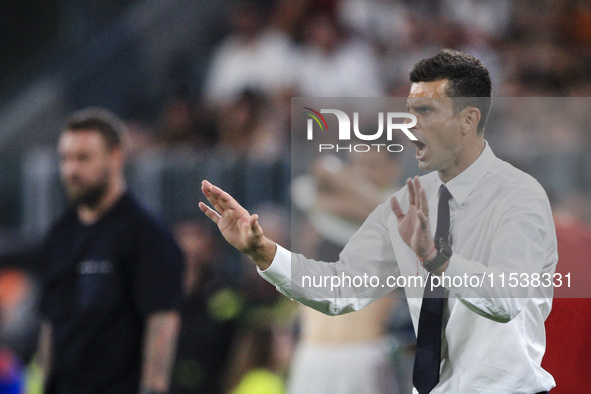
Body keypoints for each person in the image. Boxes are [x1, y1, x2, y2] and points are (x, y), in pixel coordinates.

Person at [200, 49, 558, 393]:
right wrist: (264, 252)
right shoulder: (406, 204)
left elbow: (506, 301)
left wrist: (437, 259)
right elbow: (340, 289)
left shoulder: (518, 197)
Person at [38, 108, 184, 394]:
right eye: (65, 159)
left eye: (83, 158)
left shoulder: (145, 233)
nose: (71, 170)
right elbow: (50, 323)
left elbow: (162, 319)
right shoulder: (60, 233)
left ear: (116, 157)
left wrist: (153, 388)